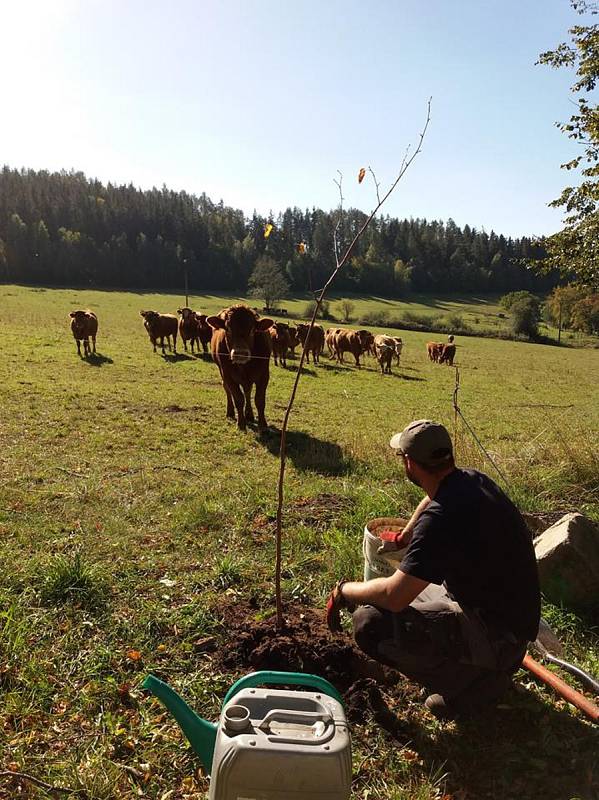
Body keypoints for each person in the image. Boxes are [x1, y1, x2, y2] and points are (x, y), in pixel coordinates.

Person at [326, 419, 540, 719]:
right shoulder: (471, 479)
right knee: (407, 587)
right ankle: (477, 669)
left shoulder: (441, 521)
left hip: (496, 639)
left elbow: (394, 596)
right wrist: (408, 533)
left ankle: (472, 684)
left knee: (369, 622)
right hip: (506, 620)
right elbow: (431, 498)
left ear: (410, 463)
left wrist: (344, 591)